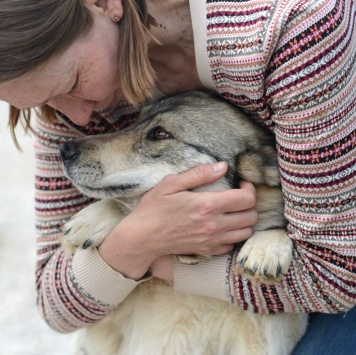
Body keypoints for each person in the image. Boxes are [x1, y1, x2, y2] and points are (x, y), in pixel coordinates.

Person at [0, 0, 355, 352]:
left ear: (102, 4)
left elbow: (334, 275)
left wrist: (157, 260)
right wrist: (138, 239)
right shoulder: (66, 104)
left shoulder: (297, 27)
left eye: (73, 81)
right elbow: (55, 305)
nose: (77, 120)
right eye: (40, 103)